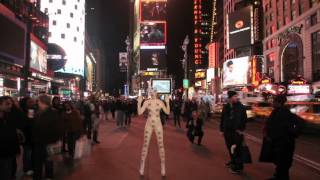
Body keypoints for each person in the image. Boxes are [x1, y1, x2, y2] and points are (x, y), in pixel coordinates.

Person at [263, 95, 302, 180]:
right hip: (281, 142)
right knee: (280, 162)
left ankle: (281, 177)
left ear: (278, 102)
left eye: (273, 101)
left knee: (282, 163)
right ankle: (278, 176)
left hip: (283, 143)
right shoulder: (279, 111)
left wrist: (293, 133)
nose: (272, 103)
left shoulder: (283, 112)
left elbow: (299, 123)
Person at [137, 90, 170, 177]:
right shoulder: (147, 102)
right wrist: (139, 103)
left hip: (158, 123)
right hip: (149, 123)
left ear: (157, 93)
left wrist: (167, 102)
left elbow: (167, 112)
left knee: (161, 144)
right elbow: (139, 112)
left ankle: (163, 167)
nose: (153, 93)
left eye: (154, 91)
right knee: (145, 144)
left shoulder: (160, 102)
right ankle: (142, 166)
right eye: (151, 91)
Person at [32, 95, 64, 180]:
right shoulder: (39, 112)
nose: (37, 103)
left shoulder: (52, 113)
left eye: (38, 101)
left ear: (42, 102)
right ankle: (40, 176)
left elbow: (58, 128)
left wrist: (55, 140)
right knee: (39, 162)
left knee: (48, 161)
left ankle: (48, 176)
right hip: (39, 142)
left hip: (48, 142)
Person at [220, 91, 247, 174]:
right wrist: (221, 129)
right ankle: (233, 161)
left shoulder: (241, 107)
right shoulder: (226, 107)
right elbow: (223, 118)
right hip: (227, 131)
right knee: (230, 147)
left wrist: (241, 130)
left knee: (237, 148)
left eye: (236, 96)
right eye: (234, 96)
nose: (236, 97)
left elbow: (244, 119)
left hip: (236, 131)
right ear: (230, 98)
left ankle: (239, 166)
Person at [0, 96, 19, 180]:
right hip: (4, 151)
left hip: (9, 152)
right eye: (7, 104)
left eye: (10, 104)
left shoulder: (8, 117)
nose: (10, 106)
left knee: (7, 172)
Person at [20, 97, 37, 176]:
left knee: (32, 153)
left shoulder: (33, 110)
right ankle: (27, 168)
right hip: (27, 136)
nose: (32, 103)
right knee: (27, 153)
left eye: (32, 102)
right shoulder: (23, 112)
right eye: (30, 102)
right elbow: (29, 123)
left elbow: (32, 123)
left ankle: (32, 167)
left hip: (33, 135)